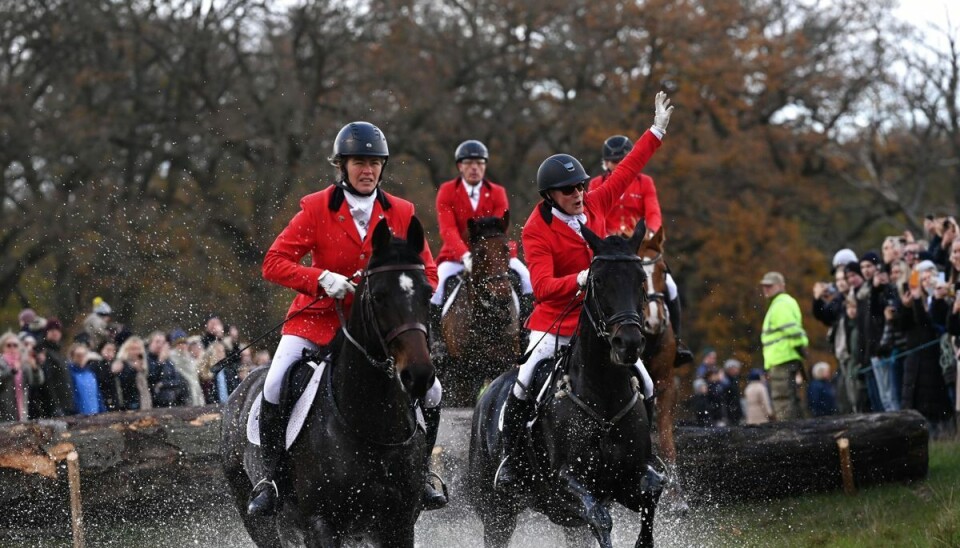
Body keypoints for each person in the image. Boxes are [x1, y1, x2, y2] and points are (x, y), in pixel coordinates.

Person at [252, 121, 443, 516]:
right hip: (319, 321)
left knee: (434, 390)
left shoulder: (402, 213)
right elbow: (273, 264)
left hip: (380, 332)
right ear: (342, 166)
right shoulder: (316, 207)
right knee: (275, 382)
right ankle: (272, 477)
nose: (367, 170)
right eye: (359, 162)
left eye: (374, 163)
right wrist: (319, 278)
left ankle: (422, 474)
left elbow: (429, 272)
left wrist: (402, 292)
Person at [495, 92, 673, 491]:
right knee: (523, 383)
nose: (578, 195)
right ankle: (510, 460)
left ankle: (646, 456)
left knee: (644, 383)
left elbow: (627, 170)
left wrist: (656, 131)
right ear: (549, 196)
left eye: (579, 187)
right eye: (568, 191)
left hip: (600, 324)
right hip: (556, 325)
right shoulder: (535, 229)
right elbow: (541, 288)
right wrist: (579, 280)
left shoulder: (596, 200)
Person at [589, 135, 693, 366]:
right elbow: (595, 216)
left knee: (671, 287)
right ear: (605, 163)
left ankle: (677, 341)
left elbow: (653, 212)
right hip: (611, 249)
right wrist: (607, 237)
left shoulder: (644, 182)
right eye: (613, 161)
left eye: (622, 160)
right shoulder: (597, 184)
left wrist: (652, 232)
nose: (618, 166)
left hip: (639, 246)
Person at [431, 139, 533, 319]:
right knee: (436, 289)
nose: (474, 168)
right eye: (469, 163)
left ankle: (526, 330)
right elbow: (448, 230)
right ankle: (436, 341)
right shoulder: (447, 191)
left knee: (527, 279)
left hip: (494, 255)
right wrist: (465, 255)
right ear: (460, 167)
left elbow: (500, 229)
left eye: (479, 163)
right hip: (456, 257)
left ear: (485, 166)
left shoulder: (497, 192)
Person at [759, 272, 808, 421]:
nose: (766, 289)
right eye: (764, 286)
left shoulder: (780, 304)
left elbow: (791, 329)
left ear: (781, 286)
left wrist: (800, 346)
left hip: (782, 360)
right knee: (791, 401)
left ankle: (788, 438)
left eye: (770, 286)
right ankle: (799, 435)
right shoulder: (782, 303)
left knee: (783, 402)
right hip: (786, 358)